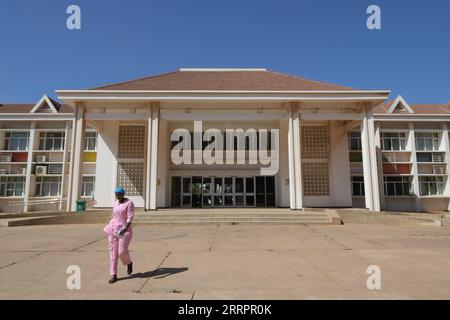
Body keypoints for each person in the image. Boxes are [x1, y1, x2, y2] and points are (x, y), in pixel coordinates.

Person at [103, 187, 135, 284]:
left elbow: (130, 217)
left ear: (123, 194)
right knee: (113, 253)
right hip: (113, 230)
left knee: (121, 252)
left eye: (119, 194)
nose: (117, 196)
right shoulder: (115, 203)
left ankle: (129, 263)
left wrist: (125, 228)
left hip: (124, 230)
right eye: (116, 194)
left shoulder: (129, 203)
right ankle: (114, 275)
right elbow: (114, 215)